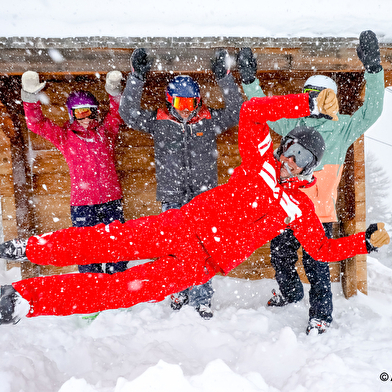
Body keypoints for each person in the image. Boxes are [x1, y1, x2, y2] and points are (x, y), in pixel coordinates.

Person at [0, 90, 389, 326]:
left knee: (122, 290)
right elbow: (252, 111)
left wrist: (364, 244)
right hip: (180, 226)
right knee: (105, 241)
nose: (293, 160)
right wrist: (306, 102)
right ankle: (28, 248)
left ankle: (25, 300)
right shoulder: (260, 161)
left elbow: (320, 249)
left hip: (198, 264)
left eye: (303, 159)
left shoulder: (298, 207)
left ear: (309, 167)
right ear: (284, 146)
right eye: (292, 150)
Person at [236, 30, 384, 334]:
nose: (316, 100)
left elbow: (373, 110)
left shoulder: (343, 127)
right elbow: (262, 108)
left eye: (320, 94)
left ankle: (320, 316)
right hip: (287, 210)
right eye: (311, 94)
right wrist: (249, 79)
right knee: (282, 259)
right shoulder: (294, 123)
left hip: (319, 216)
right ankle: (289, 294)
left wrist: (373, 69)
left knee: (318, 270)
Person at [118, 48, 243, 319]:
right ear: (169, 101)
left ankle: (202, 298)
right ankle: (177, 291)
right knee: (173, 249)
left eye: (190, 104)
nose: (185, 111)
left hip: (202, 196)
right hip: (172, 195)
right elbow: (127, 113)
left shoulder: (209, 120)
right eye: (179, 104)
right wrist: (137, 78)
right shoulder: (159, 122)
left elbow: (236, 111)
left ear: (197, 101)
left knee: (201, 247)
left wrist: (224, 77)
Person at [20, 70, 128, 274]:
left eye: (89, 111)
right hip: (82, 205)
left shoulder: (105, 132)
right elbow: (36, 124)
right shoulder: (64, 137)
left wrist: (114, 91)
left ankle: (119, 293)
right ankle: (92, 292)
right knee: (87, 253)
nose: (85, 118)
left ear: (95, 111)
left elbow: (117, 113)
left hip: (112, 201)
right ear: (72, 114)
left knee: (117, 250)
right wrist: (30, 97)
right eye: (80, 113)